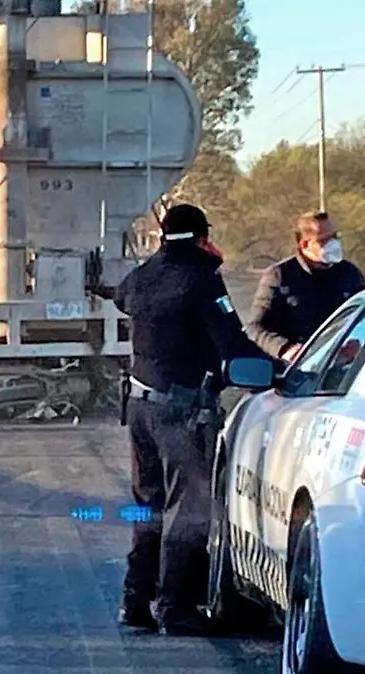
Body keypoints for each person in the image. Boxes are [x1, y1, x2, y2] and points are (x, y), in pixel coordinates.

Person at [113, 203, 266, 636]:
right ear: (202, 238)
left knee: (148, 508)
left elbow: (121, 297)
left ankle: (135, 602)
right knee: (188, 511)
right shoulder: (200, 280)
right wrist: (279, 373)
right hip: (179, 413)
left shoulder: (144, 275)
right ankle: (176, 609)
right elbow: (232, 343)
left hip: (140, 409)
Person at [246, 211, 365, 363]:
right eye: (324, 240)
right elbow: (256, 328)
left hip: (343, 372)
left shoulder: (350, 274)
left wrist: (357, 342)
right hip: (295, 374)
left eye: (335, 237)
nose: (333, 244)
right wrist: (285, 349)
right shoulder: (279, 275)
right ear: (304, 244)